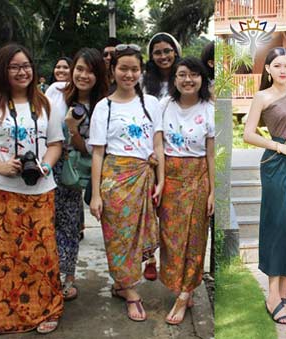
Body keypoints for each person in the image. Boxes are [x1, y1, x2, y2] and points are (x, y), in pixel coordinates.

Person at [0, 44, 64, 334]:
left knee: (41, 254)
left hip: (40, 191)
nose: (22, 72)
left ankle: (46, 308)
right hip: (0, 191)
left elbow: (55, 144)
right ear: (2, 71)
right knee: (4, 256)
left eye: (26, 66)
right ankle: (3, 313)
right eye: (14, 67)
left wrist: (45, 166)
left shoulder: (45, 104)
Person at [88, 44, 165, 322]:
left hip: (144, 177)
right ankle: (131, 291)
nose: (129, 74)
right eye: (123, 68)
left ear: (141, 72)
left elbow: (157, 143)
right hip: (114, 180)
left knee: (139, 238)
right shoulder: (103, 107)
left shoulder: (151, 103)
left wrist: (161, 180)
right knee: (118, 240)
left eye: (134, 69)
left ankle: (123, 285)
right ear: (112, 71)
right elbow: (97, 153)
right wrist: (96, 195)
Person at [242, 47, 286, 325]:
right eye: (277, 65)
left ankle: (284, 294)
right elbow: (248, 134)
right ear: (268, 69)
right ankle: (272, 296)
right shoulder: (263, 96)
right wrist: (280, 148)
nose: (283, 70)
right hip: (276, 163)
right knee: (277, 226)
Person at [158, 57, 214, 325]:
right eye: (182, 74)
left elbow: (212, 155)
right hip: (169, 178)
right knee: (171, 239)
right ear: (174, 78)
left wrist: (213, 191)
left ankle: (185, 293)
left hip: (197, 179)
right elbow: (157, 145)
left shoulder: (209, 109)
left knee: (194, 238)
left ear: (202, 79)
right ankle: (180, 285)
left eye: (194, 74)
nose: (188, 79)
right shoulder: (164, 105)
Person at [49, 47, 108, 302]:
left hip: (71, 170)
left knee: (69, 226)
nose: (83, 75)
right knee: (46, 223)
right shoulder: (55, 92)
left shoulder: (101, 106)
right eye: (80, 69)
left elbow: (92, 149)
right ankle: (46, 274)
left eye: (90, 71)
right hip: (46, 166)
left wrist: (73, 131)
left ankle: (67, 277)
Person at [143, 32, 181, 100]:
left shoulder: (184, 78)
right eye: (157, 53)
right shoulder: (142, 81)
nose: (163, 56)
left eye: (167, 51)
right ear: (151, 56)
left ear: (175, 52)